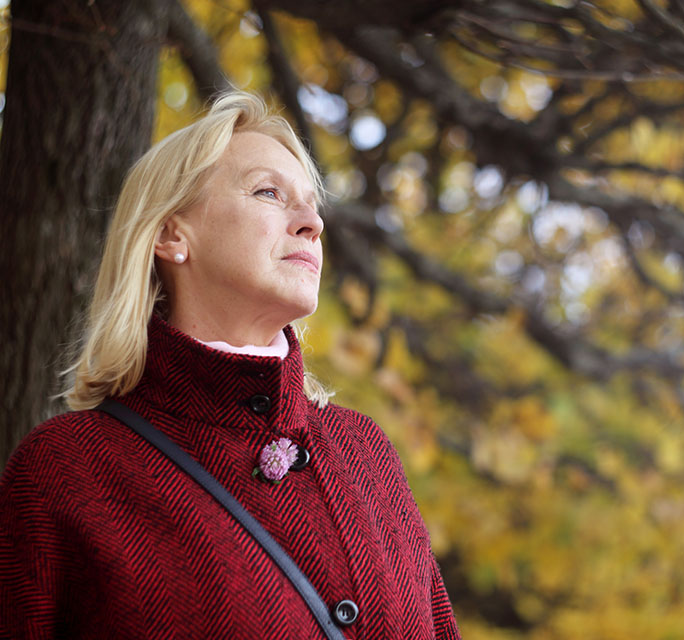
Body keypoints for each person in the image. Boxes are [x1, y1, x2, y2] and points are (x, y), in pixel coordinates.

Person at [0, 92, 461, 639]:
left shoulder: (367, 454)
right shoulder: (66, 470)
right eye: (269, 192)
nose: (311, 222)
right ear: (172, 234)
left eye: (311, 205)